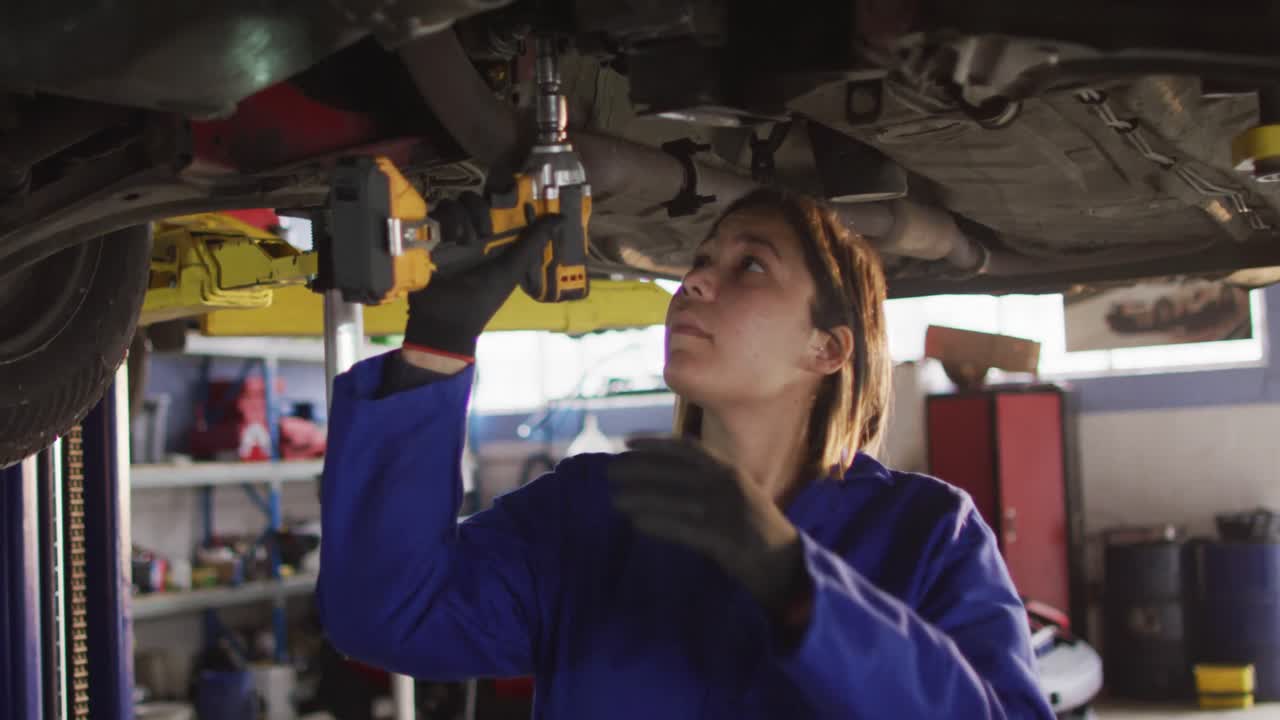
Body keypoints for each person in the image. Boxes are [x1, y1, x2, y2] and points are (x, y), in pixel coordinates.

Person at [317, 187, 1055, 719]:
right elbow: (388, 617)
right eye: (701, 260)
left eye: (750, 266)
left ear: (826, 348)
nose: (693, 280)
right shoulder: (594, 509)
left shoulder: (927, 531)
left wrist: (798, 587)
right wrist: (437, 346)